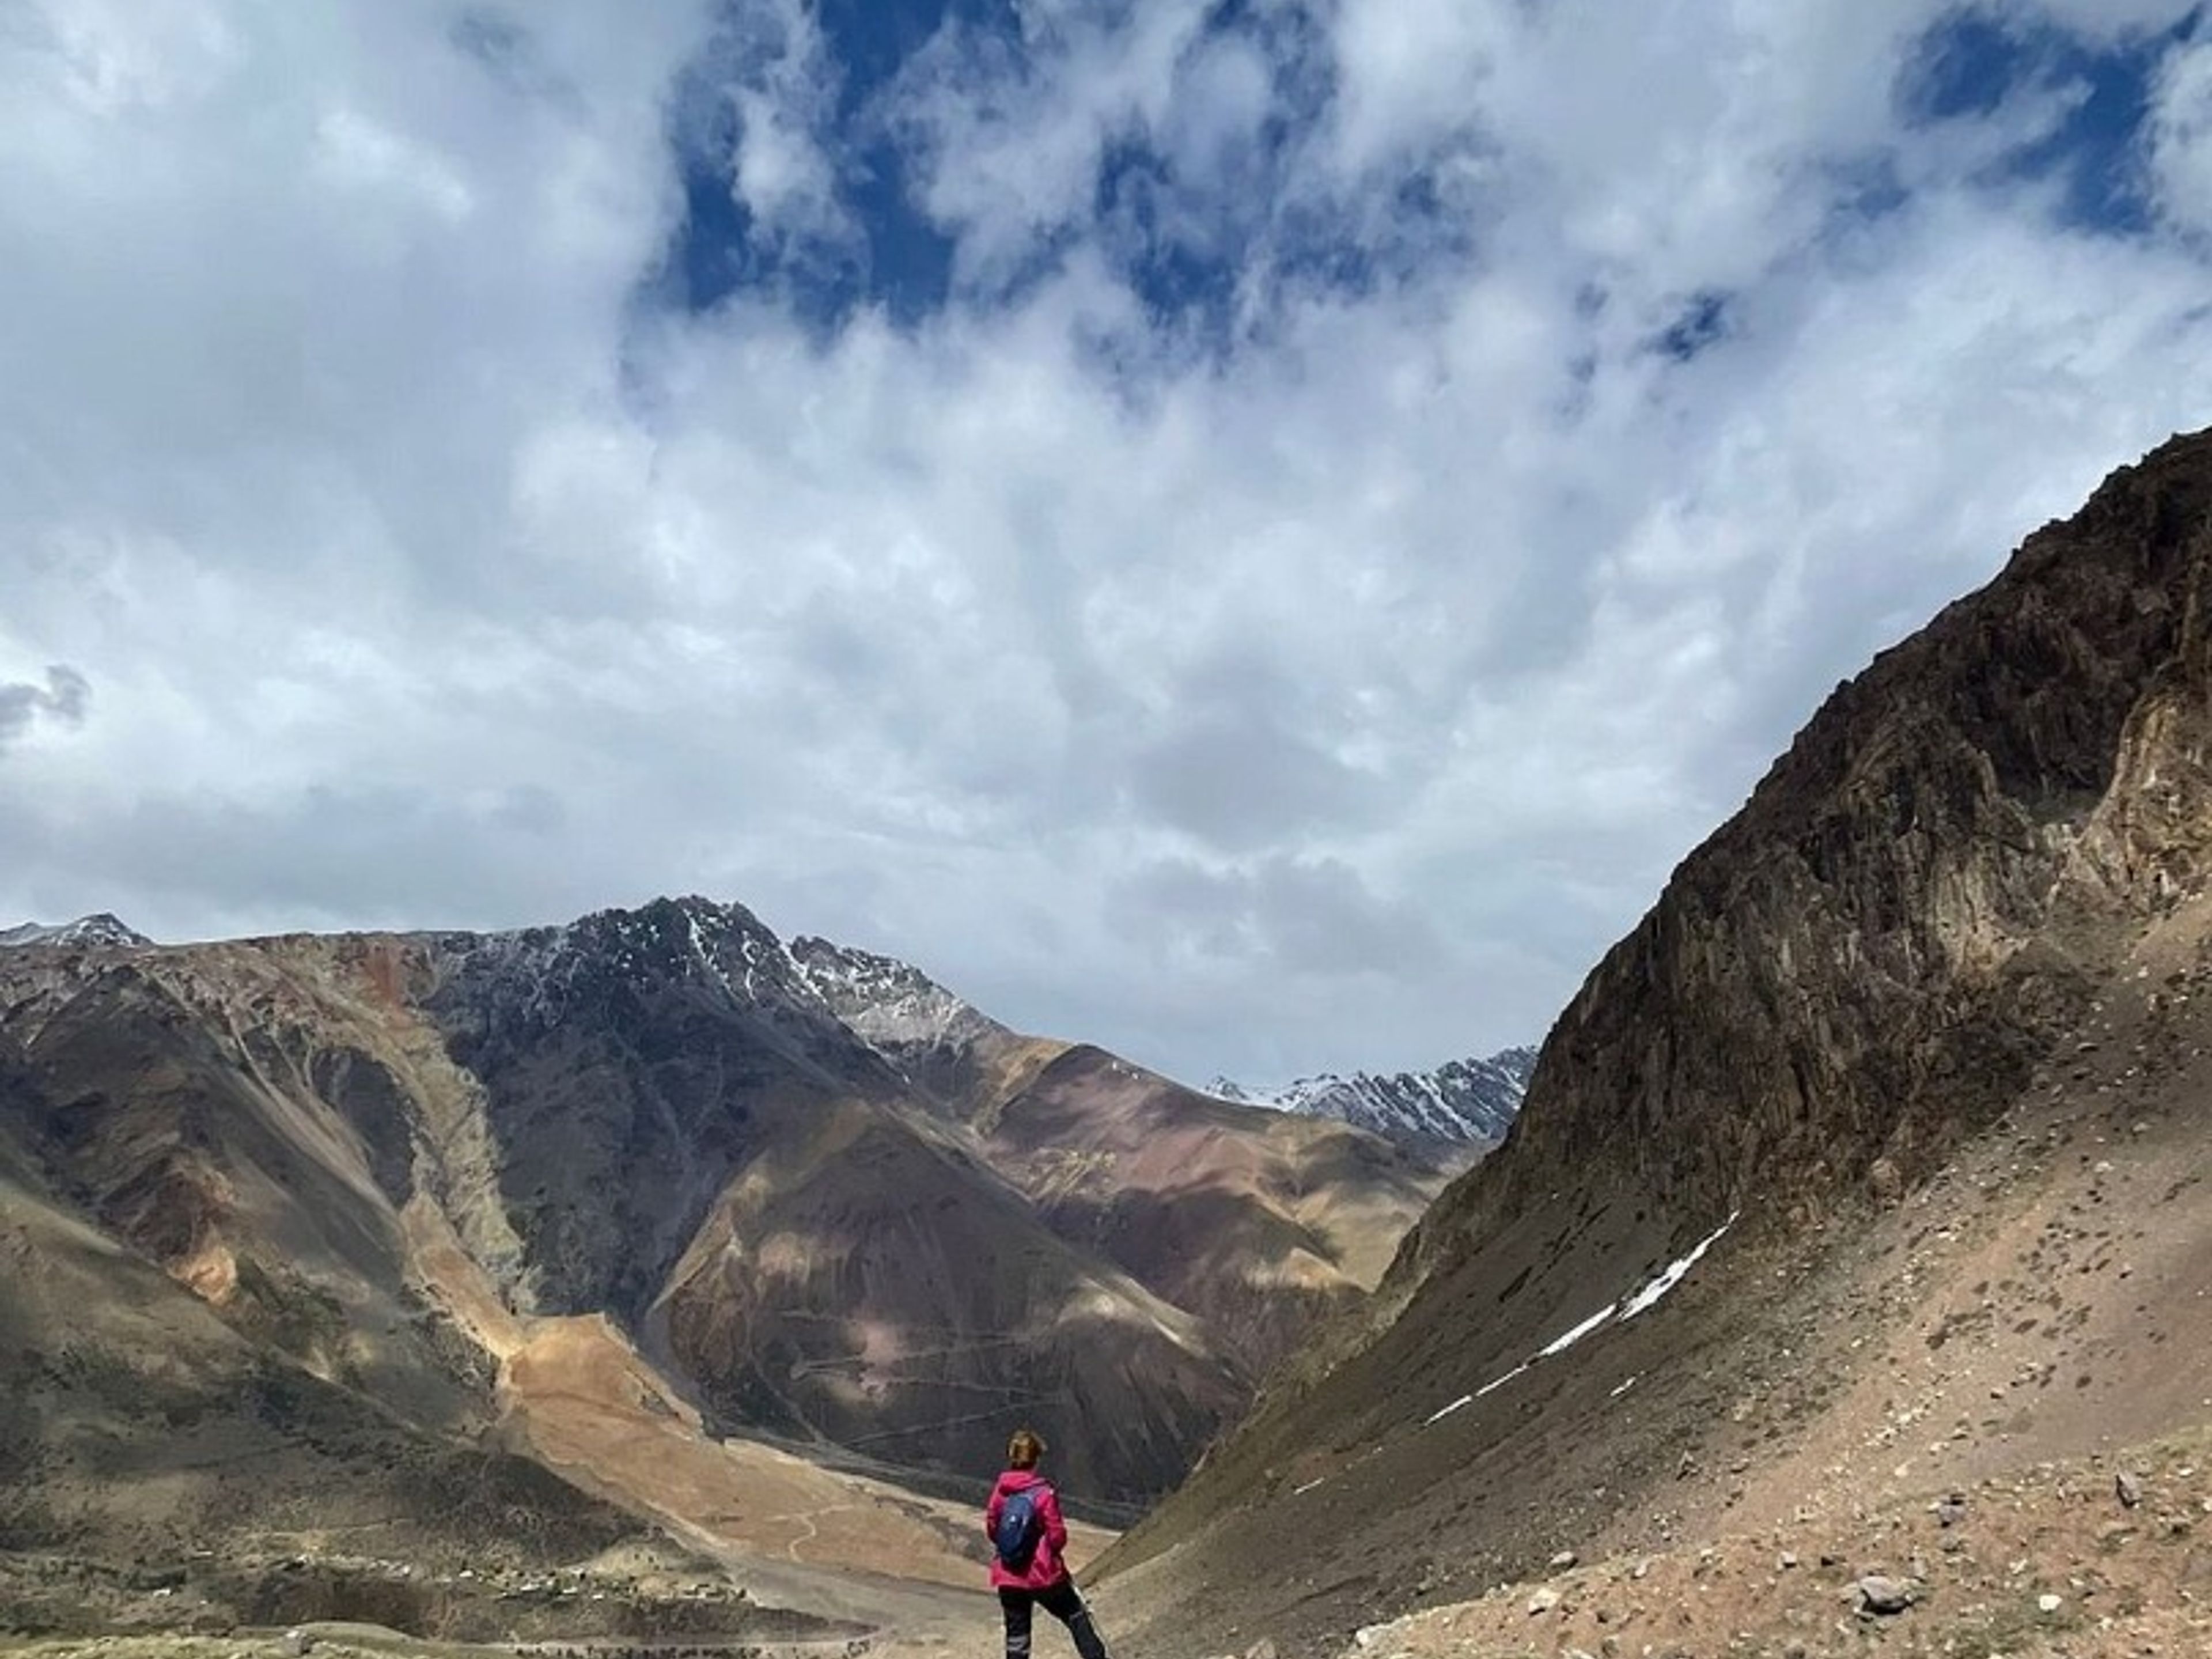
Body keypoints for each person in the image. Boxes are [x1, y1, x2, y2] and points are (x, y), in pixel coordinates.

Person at [984, 1427, 1109, 1659]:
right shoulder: (1043, 1493)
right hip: (1043, 1575)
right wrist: (1048, 1553)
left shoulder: (1000, 1492)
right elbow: (1057, 1536)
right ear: (1035, 1459)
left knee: (1017, 1638)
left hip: (1009, 1577)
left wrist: (1013, 1550)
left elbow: (993, 1529)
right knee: (1075, 1615)